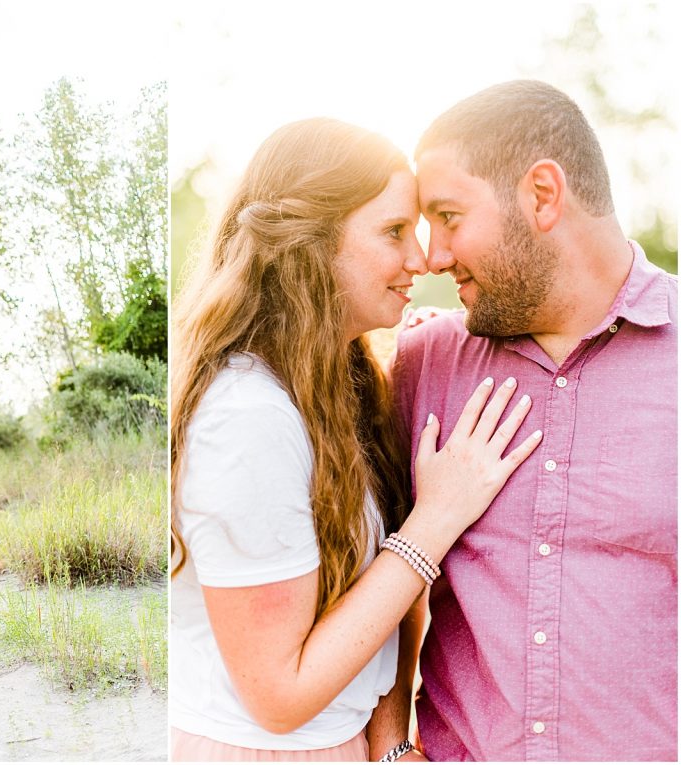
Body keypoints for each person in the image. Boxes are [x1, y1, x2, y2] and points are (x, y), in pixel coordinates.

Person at [169, 118, 544, 761]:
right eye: (394, 232)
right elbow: (279, 697)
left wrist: (390, 747)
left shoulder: (335, 381)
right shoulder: (247, 417)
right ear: (308, 243)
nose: (421, 259)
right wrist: (438, 518)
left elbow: (371, 605)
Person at [392, 80, 678, 761]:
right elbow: (365, 580)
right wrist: (390, 752)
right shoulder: (420, 363)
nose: (433, 256)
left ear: (542, 195)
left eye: (449, 216)